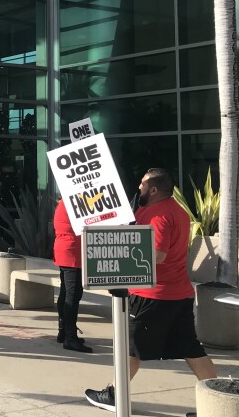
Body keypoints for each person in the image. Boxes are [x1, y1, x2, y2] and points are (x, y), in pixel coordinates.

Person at [85, 168, 217, 411]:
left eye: (143, 185)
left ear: (154, 189)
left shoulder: (159, 215)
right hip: (178, 293)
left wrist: (121, 251)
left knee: (131, 347)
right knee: (191, 348)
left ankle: (114, 394)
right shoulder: (175, 209)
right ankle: (217, 401)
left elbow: (157, 254)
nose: (139, 188)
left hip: (154, 296)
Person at [53, 198, 91, 353]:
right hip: (73, 252)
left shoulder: (64, 203)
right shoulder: (74, 203)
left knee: (66, 293)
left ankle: (64, 332)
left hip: (66, 250)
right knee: (73, 296)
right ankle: (70, 337)